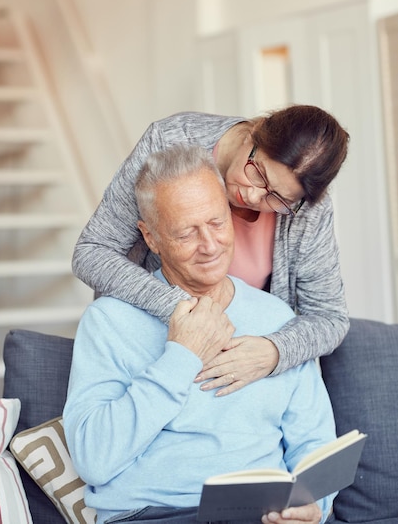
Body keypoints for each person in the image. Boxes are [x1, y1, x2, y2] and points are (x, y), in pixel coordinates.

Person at [64, 144, 337, 524]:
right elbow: (94, 460)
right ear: (151, 238)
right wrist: (181, 356)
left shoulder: (276, 318)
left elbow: (314, 442)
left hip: (261, 516)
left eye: (216, 223)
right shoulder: (108, 321)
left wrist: (314, 507)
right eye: (186, 233)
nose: (209, 246)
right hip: (153, 515)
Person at [72, 104, 350, 394]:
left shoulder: (305, 209)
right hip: (153, 345)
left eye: (277, 198)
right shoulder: (170, 141)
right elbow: (92, 252)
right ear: (251, 135)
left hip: (244, 372)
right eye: (257, 173)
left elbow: (329, 318)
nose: (253, 195)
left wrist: (273, 352)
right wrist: (186, 313)